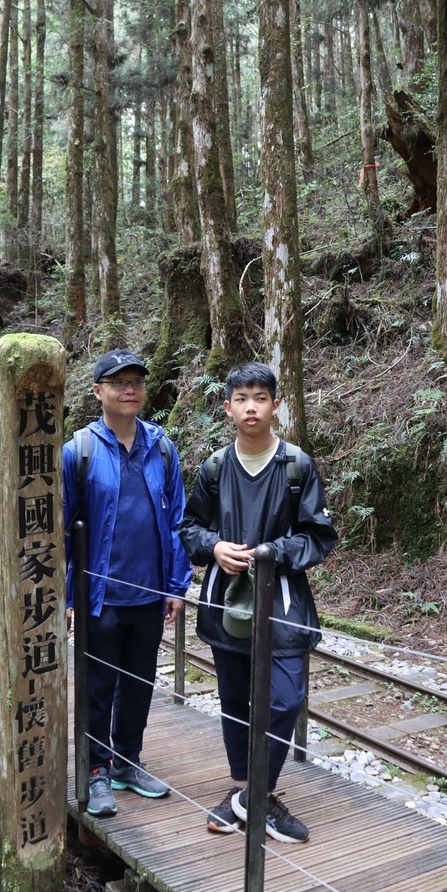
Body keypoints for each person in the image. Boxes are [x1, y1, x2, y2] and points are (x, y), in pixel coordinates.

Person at [179, 362, 338, 842]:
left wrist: (274, 553)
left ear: (275, 405)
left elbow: (318, 535)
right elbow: (189, 528)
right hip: (226, 603)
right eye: (242, 398)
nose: (252, 407)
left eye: (261, 398)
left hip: (283, 601)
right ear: (227, 407)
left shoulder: (296, 466)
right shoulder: (214, 467)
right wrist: (215, 547)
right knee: (234, 700)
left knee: (287, 696)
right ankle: (245, 789)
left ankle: (252, 798)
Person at [63, 348, 192, 817]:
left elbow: (179, 519)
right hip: (99, 595)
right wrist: (67, 596)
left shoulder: (161, 447)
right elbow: (61, 527)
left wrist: (177, 585)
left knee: (139, 682)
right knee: (97, 685)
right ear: (98, 392)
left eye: (136, 380)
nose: (130, 388)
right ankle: (95, 769)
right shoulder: (79, 451)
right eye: (118, 382)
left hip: (149, 592)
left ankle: (127, 760)